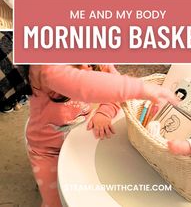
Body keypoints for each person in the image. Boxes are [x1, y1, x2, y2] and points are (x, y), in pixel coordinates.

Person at [26, 64, 178, 207]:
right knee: (56, 202)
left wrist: (104, 111)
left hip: (81, 140)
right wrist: (140, 88)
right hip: (47, 151)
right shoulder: (44, 66)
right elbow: (84, 84)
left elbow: (112, 88)